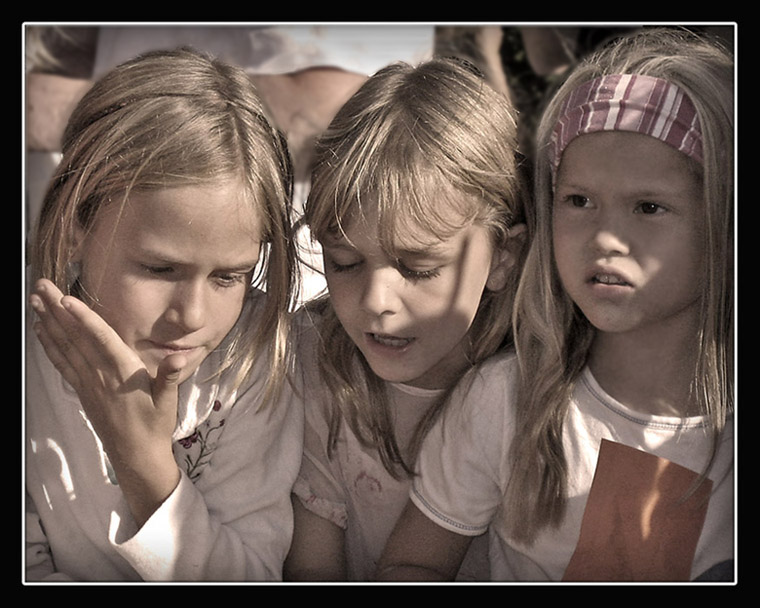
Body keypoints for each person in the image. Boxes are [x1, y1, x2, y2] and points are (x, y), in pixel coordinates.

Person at [377, 28, 734, 582]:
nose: (605, 236)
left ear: (725, 222)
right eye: (579, 200)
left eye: (648, 206)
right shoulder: (507, 400)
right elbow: (411, 563)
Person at [25, 47, 304, 582]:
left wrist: (145, 463)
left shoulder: (254, 364)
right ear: (79, 224)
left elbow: (249, 574)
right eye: (159, 269)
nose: (192, 316)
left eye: (229, 277)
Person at [283, 57, 527, 581]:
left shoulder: (533, 387)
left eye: (417, 268)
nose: (376, 300)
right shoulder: (313, 361)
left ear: (502, 258)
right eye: (344, 263)